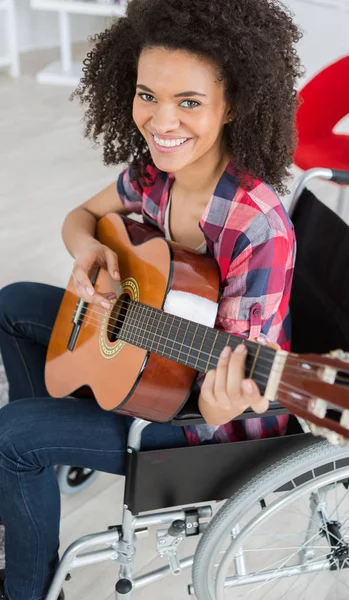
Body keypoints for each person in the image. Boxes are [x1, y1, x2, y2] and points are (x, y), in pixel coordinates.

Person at [0, 0, 301, 597]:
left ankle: (26, 587)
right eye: (147, 95)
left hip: (196, 422)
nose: (162, 121)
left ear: (233, 104)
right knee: (11, 304)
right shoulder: (154, 174)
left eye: (189, 102)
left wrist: (222, 403)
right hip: (150, 357)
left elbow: (233, 407)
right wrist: (88, 251)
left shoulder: (257, 227)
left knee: (11, 436)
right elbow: (80, 216)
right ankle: (55, 441)